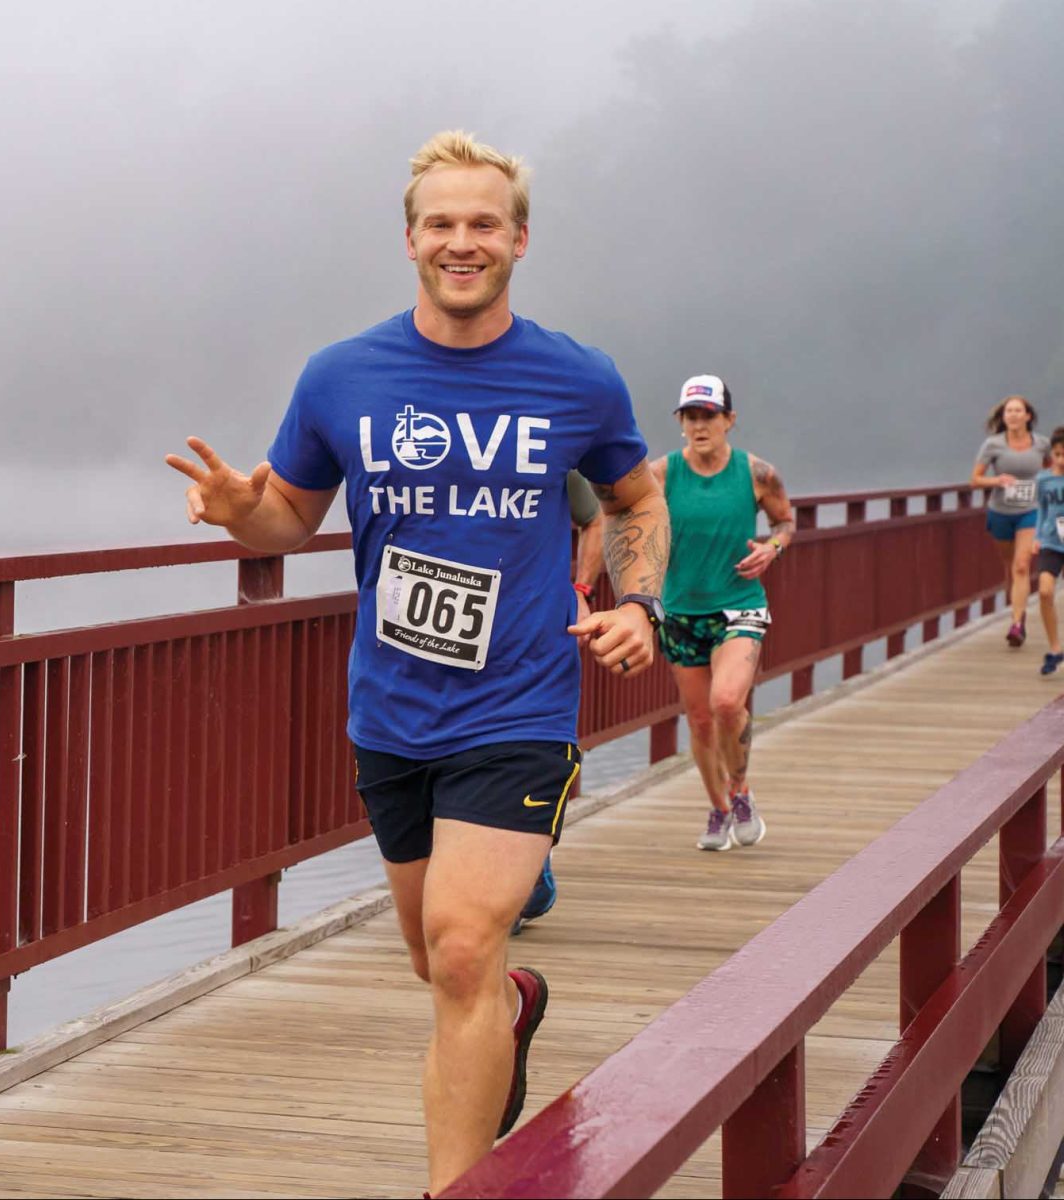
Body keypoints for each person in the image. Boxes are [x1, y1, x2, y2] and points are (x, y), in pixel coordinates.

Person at [164, 130, 668, 1192]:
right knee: (440, 964)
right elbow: (287, 521)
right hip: (391, 713)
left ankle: (455, 1185)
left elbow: (633, 500)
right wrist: (235, 514)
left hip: (520, 707)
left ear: (518, 240)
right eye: (440, 223)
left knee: (455, 947)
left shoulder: (576, 377)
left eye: (483, 222)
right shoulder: (343, 375)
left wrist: (644, 605)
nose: (461, 241)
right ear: (409, 241)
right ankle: (513, 1009)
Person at [598, 376, 793, 852]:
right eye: (690, 416)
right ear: (680, 423)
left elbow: (785, 520)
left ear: (729, 420)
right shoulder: (661, 474)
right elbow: (623, 515)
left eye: (709, 416)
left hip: (739, 606)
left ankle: (741, 791)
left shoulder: (757, 473)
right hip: (682, 611)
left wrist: (772, 548)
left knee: (728, 702)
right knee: (701, 719)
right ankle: (719, 809)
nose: (699, 425)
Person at [512, 471, 602, 935]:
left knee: (521, 758)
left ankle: (530, 872)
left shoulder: (545, 448)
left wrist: (582, 592)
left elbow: (598, 516)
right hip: (437, 660)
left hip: (533, 645)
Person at [972, 396, 1043, 647]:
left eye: (1018, 411)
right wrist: (997, 480)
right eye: (1008, 411)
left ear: (1028, 416)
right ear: (1003, 417)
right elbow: (975, 479)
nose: (1012, 415)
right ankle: (1018, 611)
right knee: (1010, 568)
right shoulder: (993, 444)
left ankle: (1016, 625)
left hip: (1030, 510)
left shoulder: (1041, 444)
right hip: (1001, 512)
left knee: (1022, 565)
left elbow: (1053, 468)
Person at [1032, 428, 1064, 675]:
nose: (1062, 459)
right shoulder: (1044, 480)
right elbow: (1042, 509)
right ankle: (1055, 648)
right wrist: (1037, 537)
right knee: (1044, 592)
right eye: (1058, 454)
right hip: (1051, 542)